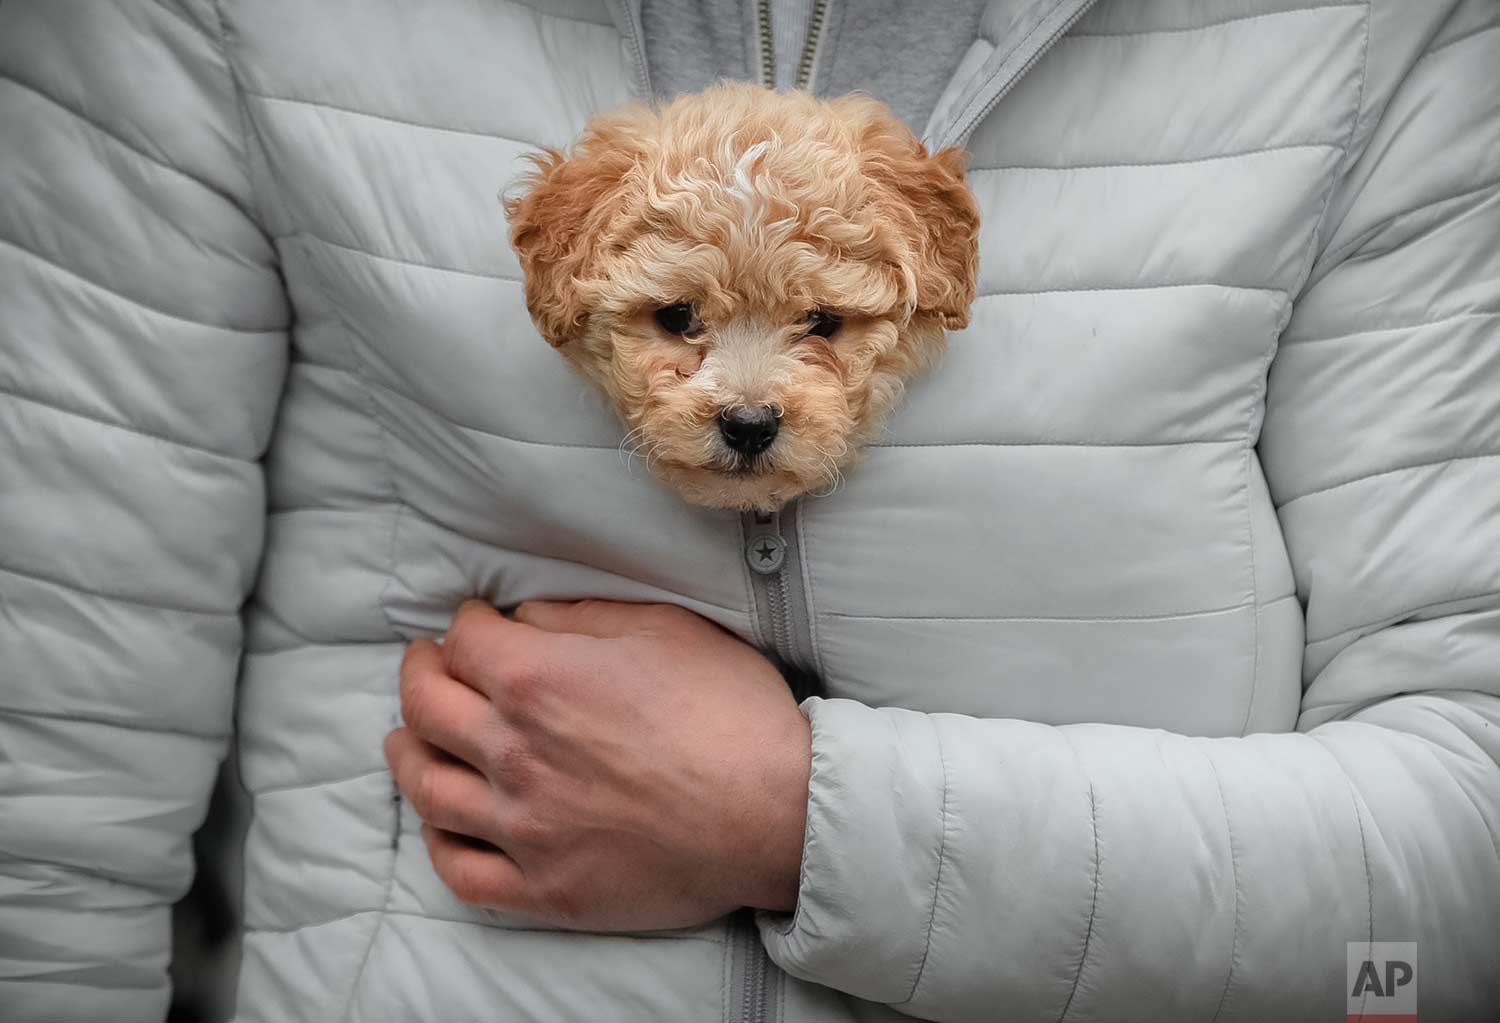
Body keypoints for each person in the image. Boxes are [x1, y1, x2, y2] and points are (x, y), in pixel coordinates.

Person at [1, 1, 1496, 1021]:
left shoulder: (1383, 37)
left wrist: (801, 821)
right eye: (674, 319)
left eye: (826, 328)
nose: (747, 397)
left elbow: (1459, 898)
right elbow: (55, 743)